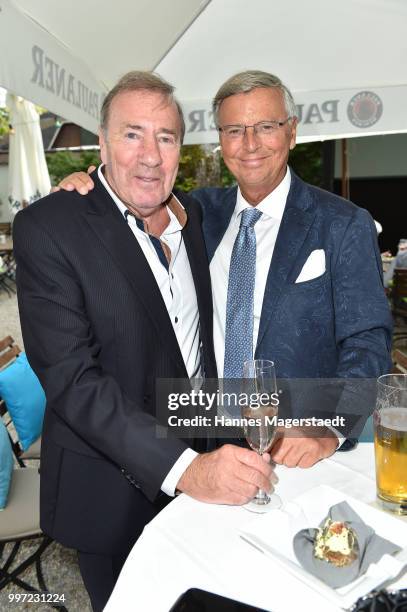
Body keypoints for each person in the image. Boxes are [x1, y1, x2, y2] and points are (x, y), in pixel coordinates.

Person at [14, 71, 275, 612]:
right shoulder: (49, 227)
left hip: (208, 458)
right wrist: (186, 469)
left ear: (182, 148)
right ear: (103, 143)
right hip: (112, 493)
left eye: (166, 137)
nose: (150, 155)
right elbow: (73, 381)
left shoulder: (195, 216)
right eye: (132, 134)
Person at [57, 70, 392, 469]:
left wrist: (328, 428)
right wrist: (88, 189)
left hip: (298, 448)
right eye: (234, 130)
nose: (250, 144)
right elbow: (132, 194)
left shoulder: (342, 223)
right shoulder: (198, 213)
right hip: (202, 440)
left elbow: (368, 343)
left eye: (266, 127)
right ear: (220, 139)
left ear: (291, 132)